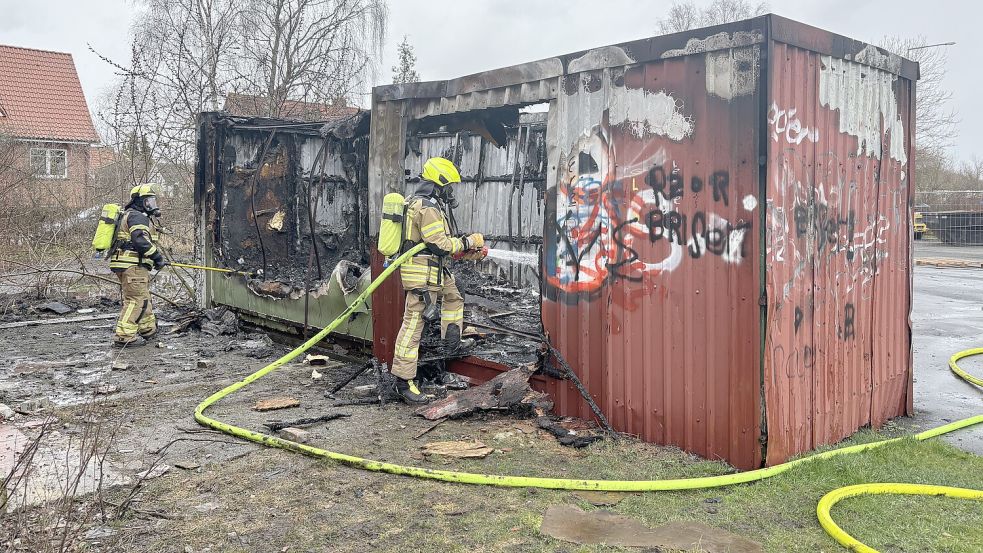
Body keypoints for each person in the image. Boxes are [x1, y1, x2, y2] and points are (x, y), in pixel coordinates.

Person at [391, 157, 486, 403]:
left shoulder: (423, 203)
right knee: (413, 326)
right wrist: (469, 241)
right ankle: (403, 382)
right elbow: (439, 244)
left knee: (454, 297)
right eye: (449, 186)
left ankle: (450, 343)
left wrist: (463, 251)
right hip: (422, 277)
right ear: (439, 183)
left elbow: (433, 245)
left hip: (435, 272)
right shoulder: (428, 207)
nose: (450, 192)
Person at [109, 184, 168, 347]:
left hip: (130, 265)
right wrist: (157, 257)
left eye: (153, 201)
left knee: (144, 297)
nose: (152, 205)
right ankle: (124, 336)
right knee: (136, 300)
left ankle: (148, 330)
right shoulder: (137, 216)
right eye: (148, 201)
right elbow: (140, 240)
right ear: (140, 202)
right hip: (133, 266)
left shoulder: (131, 215)